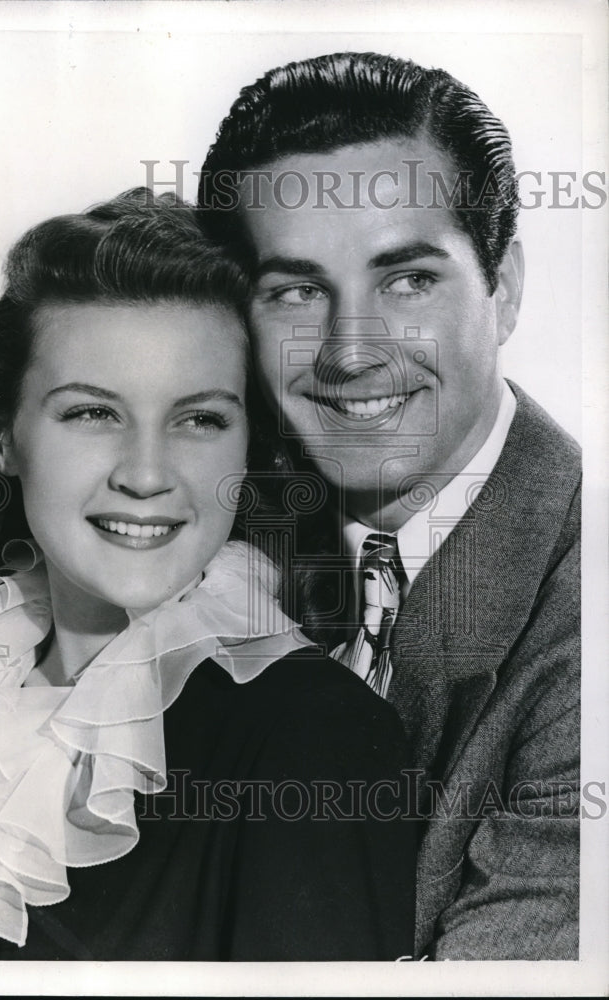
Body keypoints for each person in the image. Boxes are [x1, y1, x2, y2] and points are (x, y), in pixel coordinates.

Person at [0, 189, 416, 961]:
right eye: (92, 413)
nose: (146, 474)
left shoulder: (312, 735)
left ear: (249, 451)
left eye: (200, 418)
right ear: (0, 437)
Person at [198, 52, 580, 960]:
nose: (349, 353)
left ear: (506, 287)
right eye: (296, 292)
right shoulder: (214, 529)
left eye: (408, 279)